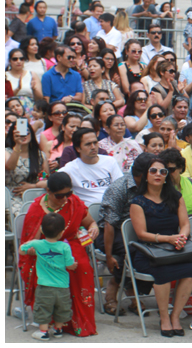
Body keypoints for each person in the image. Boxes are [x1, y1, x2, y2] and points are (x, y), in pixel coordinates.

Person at [18, 172, 98, 337]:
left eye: (68, 194)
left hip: (70, 243)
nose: (64, 199)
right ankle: (51, 320)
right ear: (48, 191)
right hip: (44, 249)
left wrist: (94, 226)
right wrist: (38, 250)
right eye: (59, 195)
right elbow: (29, 244)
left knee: (81, 265)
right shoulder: (36, 209)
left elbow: (88, 221)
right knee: (52, 265)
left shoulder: (74, 202)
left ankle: (74, 321)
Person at [128, 153, 192, 337]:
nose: (158, 174)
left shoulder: (176, 197)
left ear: (167, 176)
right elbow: (141, 234)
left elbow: (185, 224)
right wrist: (168, 239)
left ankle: (175, 316)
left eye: (163, 171)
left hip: (174, 248)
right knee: (163, 272)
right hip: (150, 252)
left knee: (190, 269)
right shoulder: (138, 202)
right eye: (153, 170)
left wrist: (182, 237)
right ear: (146, 175)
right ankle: (164, 317)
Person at [19, 211, 79, 341]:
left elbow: (21, 250)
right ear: (62, 232)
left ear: (41, 229)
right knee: (61, 308)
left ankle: (43, 332)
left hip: (44, 286)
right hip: (62, 286)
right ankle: (58, 330)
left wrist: (30, 249)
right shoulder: (65, 246)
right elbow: (69, 264)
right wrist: (73, 265)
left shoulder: (37, 244)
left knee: (43, 308)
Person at [59, 128, 122, 205]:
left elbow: (120, 187)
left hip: (112, 207)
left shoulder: (110, 161)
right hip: (87, 212)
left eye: (95, 143)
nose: (93, 147)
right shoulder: (71, 168)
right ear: (78, 148)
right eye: (88, 144)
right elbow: (52, 181)